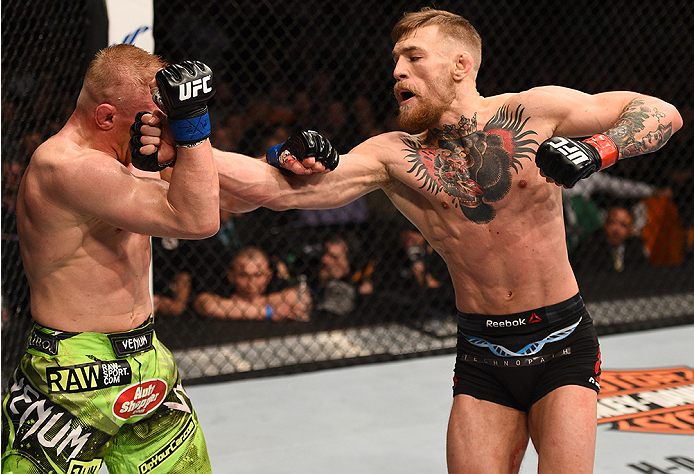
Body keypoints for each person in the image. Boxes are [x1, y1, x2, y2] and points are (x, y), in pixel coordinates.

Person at [139, 8, 682, 473]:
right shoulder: (393, 155)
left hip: (561, 341)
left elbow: (661, 112)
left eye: (413, 57)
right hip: (482, 353)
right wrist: (190, 141)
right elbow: (280, 190)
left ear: (460, 65)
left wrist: (600, 151)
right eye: (395, 61)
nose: (397, 70)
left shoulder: (536, 111)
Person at [1, 45, 220, 473]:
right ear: (105, 117)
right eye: (151, 115)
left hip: (146, 355)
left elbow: (214, 190)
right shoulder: (65, 167)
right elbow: (198, 218)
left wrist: (279, 161)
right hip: (73, 374)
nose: (159, 124)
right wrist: (191, 126)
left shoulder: (124, 161)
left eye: (166, 114)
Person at [193, 246, 311, 321]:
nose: (251, 283)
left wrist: (240, 304)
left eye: (258, 275)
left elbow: (300, 297)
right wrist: (269, 311)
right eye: (243, 276)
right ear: (231, 276)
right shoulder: (221, 285)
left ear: (268, 275)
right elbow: (207, 305)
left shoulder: (275, 284)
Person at [572, 205, 650, 273]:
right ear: (605, 224)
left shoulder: (635, 246)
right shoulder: (590, 246)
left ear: (631, 230)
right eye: (612, 223)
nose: (617, 230)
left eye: (623, 225)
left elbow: (644, 271)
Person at [313, 235, 359, 317]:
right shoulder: (311, 282)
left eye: (334, 257)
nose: (324, 259)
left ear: (347, 266)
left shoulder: (346, 290)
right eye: (324, 253)